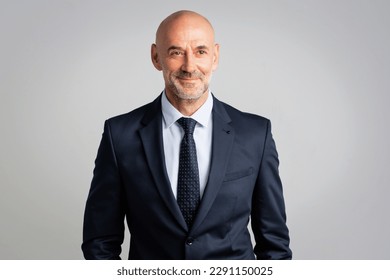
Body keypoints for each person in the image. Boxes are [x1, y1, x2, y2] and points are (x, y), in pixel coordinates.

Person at [82, 10, 292, 260]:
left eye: (200, 51)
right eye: (176, 52)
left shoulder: (256, 134)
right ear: (156, 57)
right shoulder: (120, 136)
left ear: (215, 57)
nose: (189, 66)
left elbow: (274, 244)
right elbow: (100, 242)